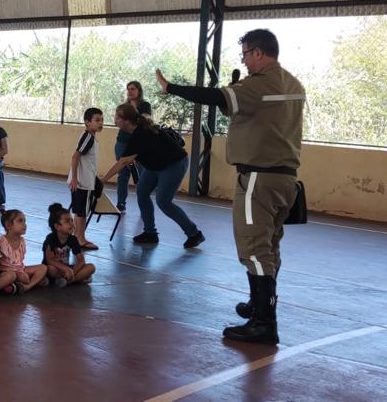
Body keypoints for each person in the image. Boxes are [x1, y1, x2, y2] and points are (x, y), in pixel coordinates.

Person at [155, 28, 304, 345]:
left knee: (253, 248)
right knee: (270, 246)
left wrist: (172, 88)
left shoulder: (259, 84)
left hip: (257, 179)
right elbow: (248, 110)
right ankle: (258, 305)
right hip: (286, 179)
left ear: (259, 53)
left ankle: (264, 323)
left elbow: (216, 98)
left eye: (246, 54)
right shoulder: (293, 84)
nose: (245, 60)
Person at [102, 104, 205, 249]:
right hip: (155, 166)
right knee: (142, 192)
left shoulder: (140, 133)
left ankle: (194, 233)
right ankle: (150, 233)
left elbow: (123, 162)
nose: (115, 121)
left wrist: (103, 180)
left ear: (126, 121)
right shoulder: (134, 133)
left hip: (174, 164)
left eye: (117, 118)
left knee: (163, 201)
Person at [68, 107, 104, 251]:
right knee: (82, 212)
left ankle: (78, 237)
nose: (100, 123)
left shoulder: (90, 137)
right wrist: (75, 178)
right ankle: (80, 238)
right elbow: (75, 156)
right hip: (83, 182)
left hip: (85, 180)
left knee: (80, 211)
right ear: (87, 122)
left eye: (101, 120)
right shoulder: (88, 137)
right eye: (96, 120)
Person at [115, 81, 153, 212]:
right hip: (122, 142)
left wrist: (133, 111)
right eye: (128, 89)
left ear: (139, 91)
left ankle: (143, 203)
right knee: (123, 173)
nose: (130, 91)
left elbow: (145, 120)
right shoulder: (124, 106)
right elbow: (118, 121)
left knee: (142, 174)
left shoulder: (145, 105)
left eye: (133, 89)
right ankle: (121, 203)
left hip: (140, 143)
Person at [42, 204, 96, 287]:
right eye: (67, 221)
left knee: (91, 267)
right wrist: (66, 269)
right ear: (57, 226)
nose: (71, 224)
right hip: (55, 268)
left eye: (71, 220)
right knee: (50, 269)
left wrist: (72, 271)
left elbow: (81, 260)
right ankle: (74, 279)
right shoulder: (51, 238)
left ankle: (66, 280)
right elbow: (49, 260)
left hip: (67, 269)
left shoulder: (73, 239)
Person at [0, 210, 48, 293]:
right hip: (7, 271)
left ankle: (27, 286)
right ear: (8, 225)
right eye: (20, 221)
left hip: (20, 269)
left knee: (43, 268)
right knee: (24, 277)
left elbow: (20, 263)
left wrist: (21, 272)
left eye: (25, 221)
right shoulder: (2, 242)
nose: (24, 224)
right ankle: (29, 282)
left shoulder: (22, 240)